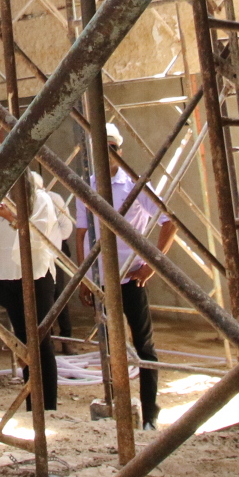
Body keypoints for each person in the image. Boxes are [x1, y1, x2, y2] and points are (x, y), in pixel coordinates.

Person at [74, 122, 174, 430]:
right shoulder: (87, 186)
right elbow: (81, 234)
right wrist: (85, 276)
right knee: (109, 347)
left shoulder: (134, 185)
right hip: (102, 280)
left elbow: (169, 223)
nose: (108, 154)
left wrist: (151, 265)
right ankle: (117, 409)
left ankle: (149, 416)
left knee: (143, 346)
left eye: (113, 148)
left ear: (120, 150)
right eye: (103, 148)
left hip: (130, 279)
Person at [0, 171, 72, 413]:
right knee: (24, 345)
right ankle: (32, 405)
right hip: (8, 275)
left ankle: (48, 407)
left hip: (36, 276)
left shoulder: (41, 200)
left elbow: (36, 236)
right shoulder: (3, 199)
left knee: (41, 342)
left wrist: (9, 216)